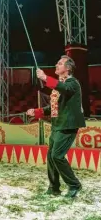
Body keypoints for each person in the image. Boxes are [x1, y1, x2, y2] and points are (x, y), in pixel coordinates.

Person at [26, 55, 85, 198]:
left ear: (68, 68)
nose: (56, 65)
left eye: (60, 64)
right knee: (51, 157)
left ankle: (74, 185)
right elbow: (53, 107)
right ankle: (54, 188)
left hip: (67, 125)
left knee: (57, 156)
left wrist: (45, 78)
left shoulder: (73, 83)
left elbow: (64, 88)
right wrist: (37, 111)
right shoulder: (60, 85)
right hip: (57, 125)